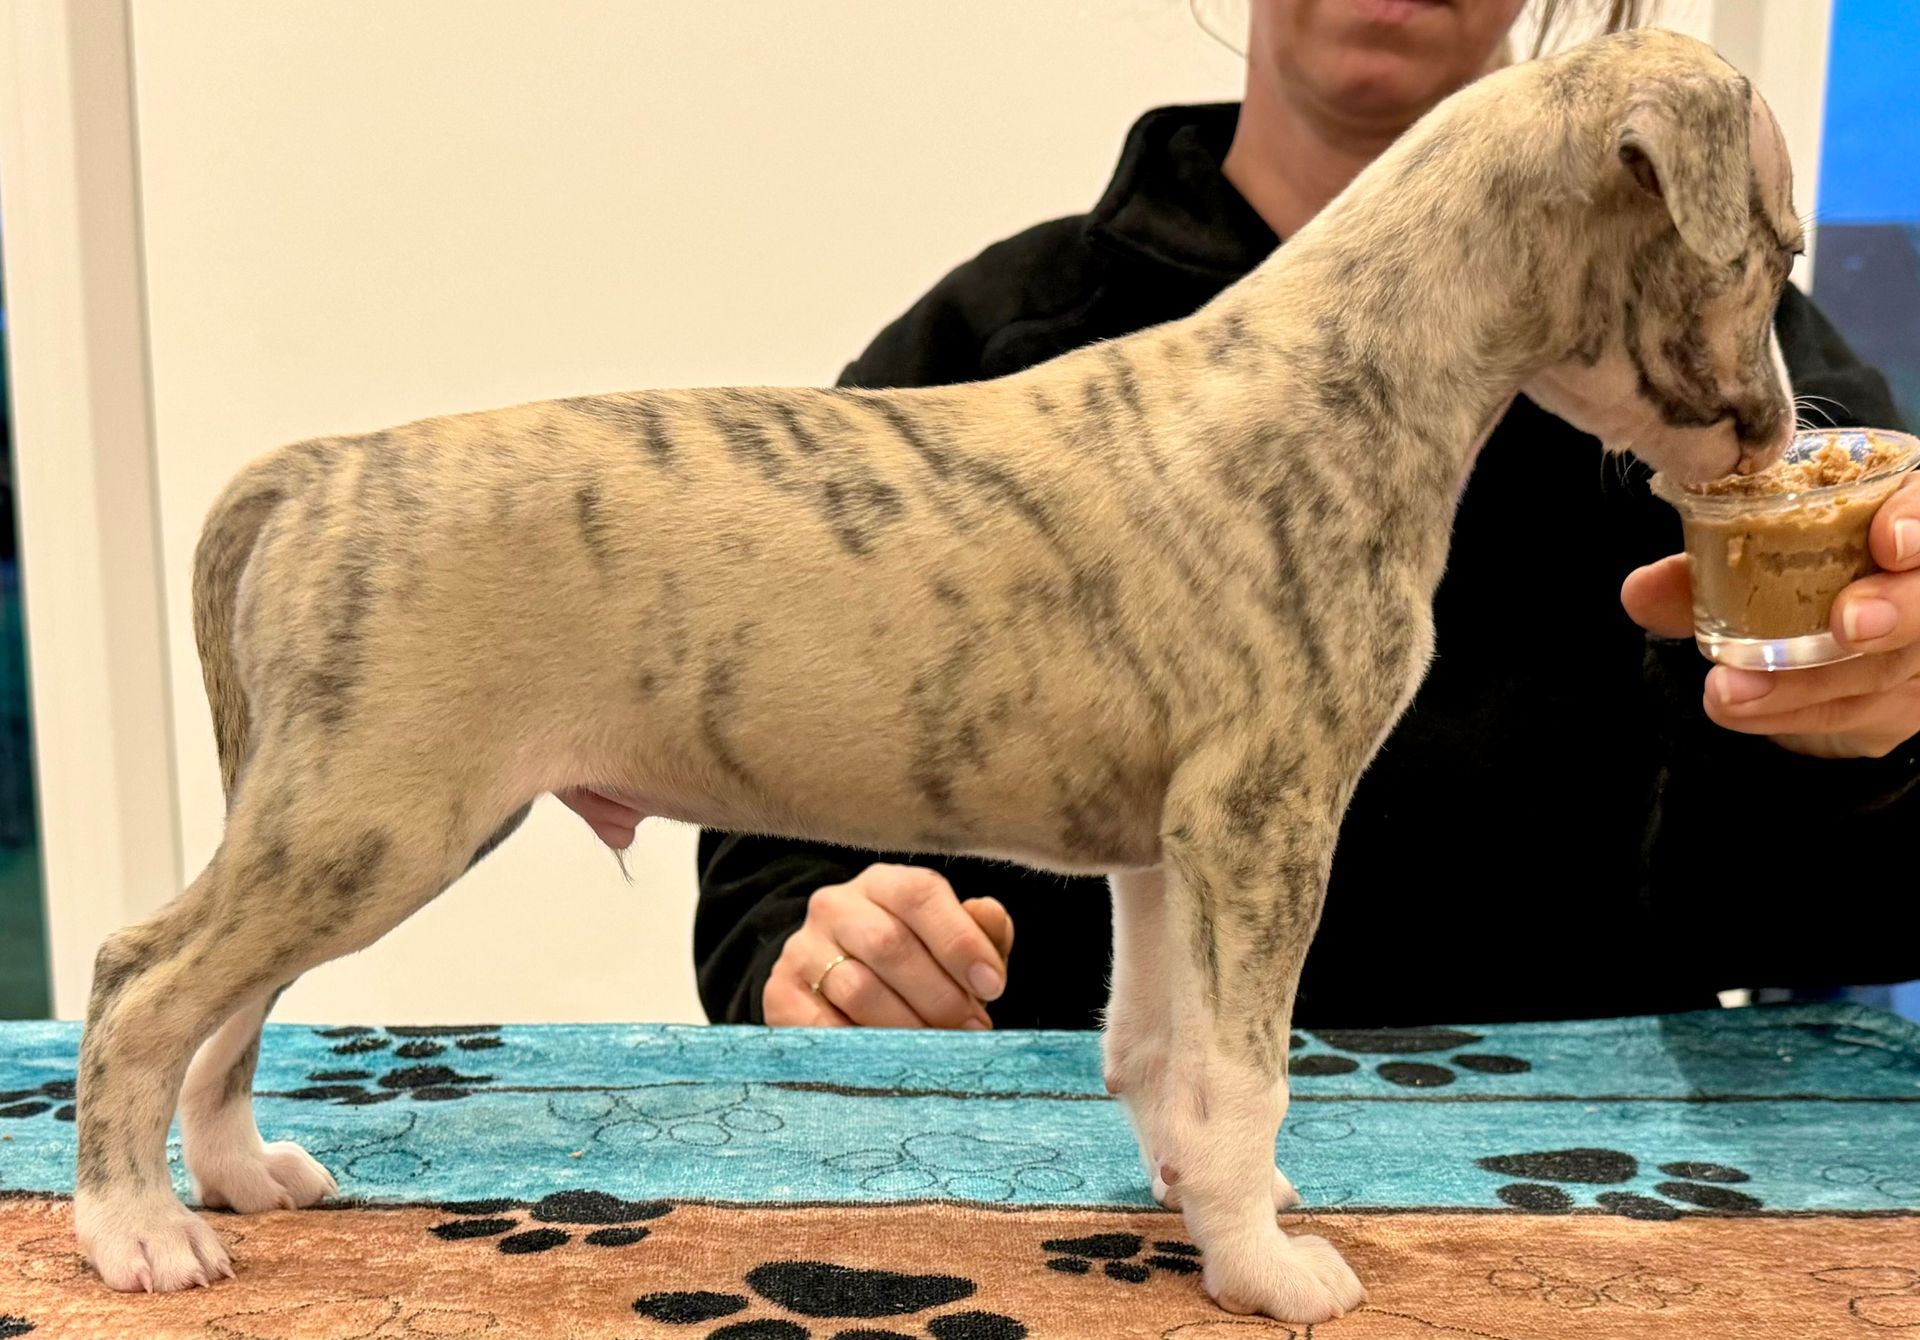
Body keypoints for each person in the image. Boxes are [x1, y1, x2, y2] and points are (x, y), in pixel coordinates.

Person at [595, 0, 1920, 1030]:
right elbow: (764, 849)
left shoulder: (1739, 401)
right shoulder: (987, 350)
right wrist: (818, 949)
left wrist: (1865, 732)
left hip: (1588, 1208)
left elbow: (1839, 923)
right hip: (1075, 1209)